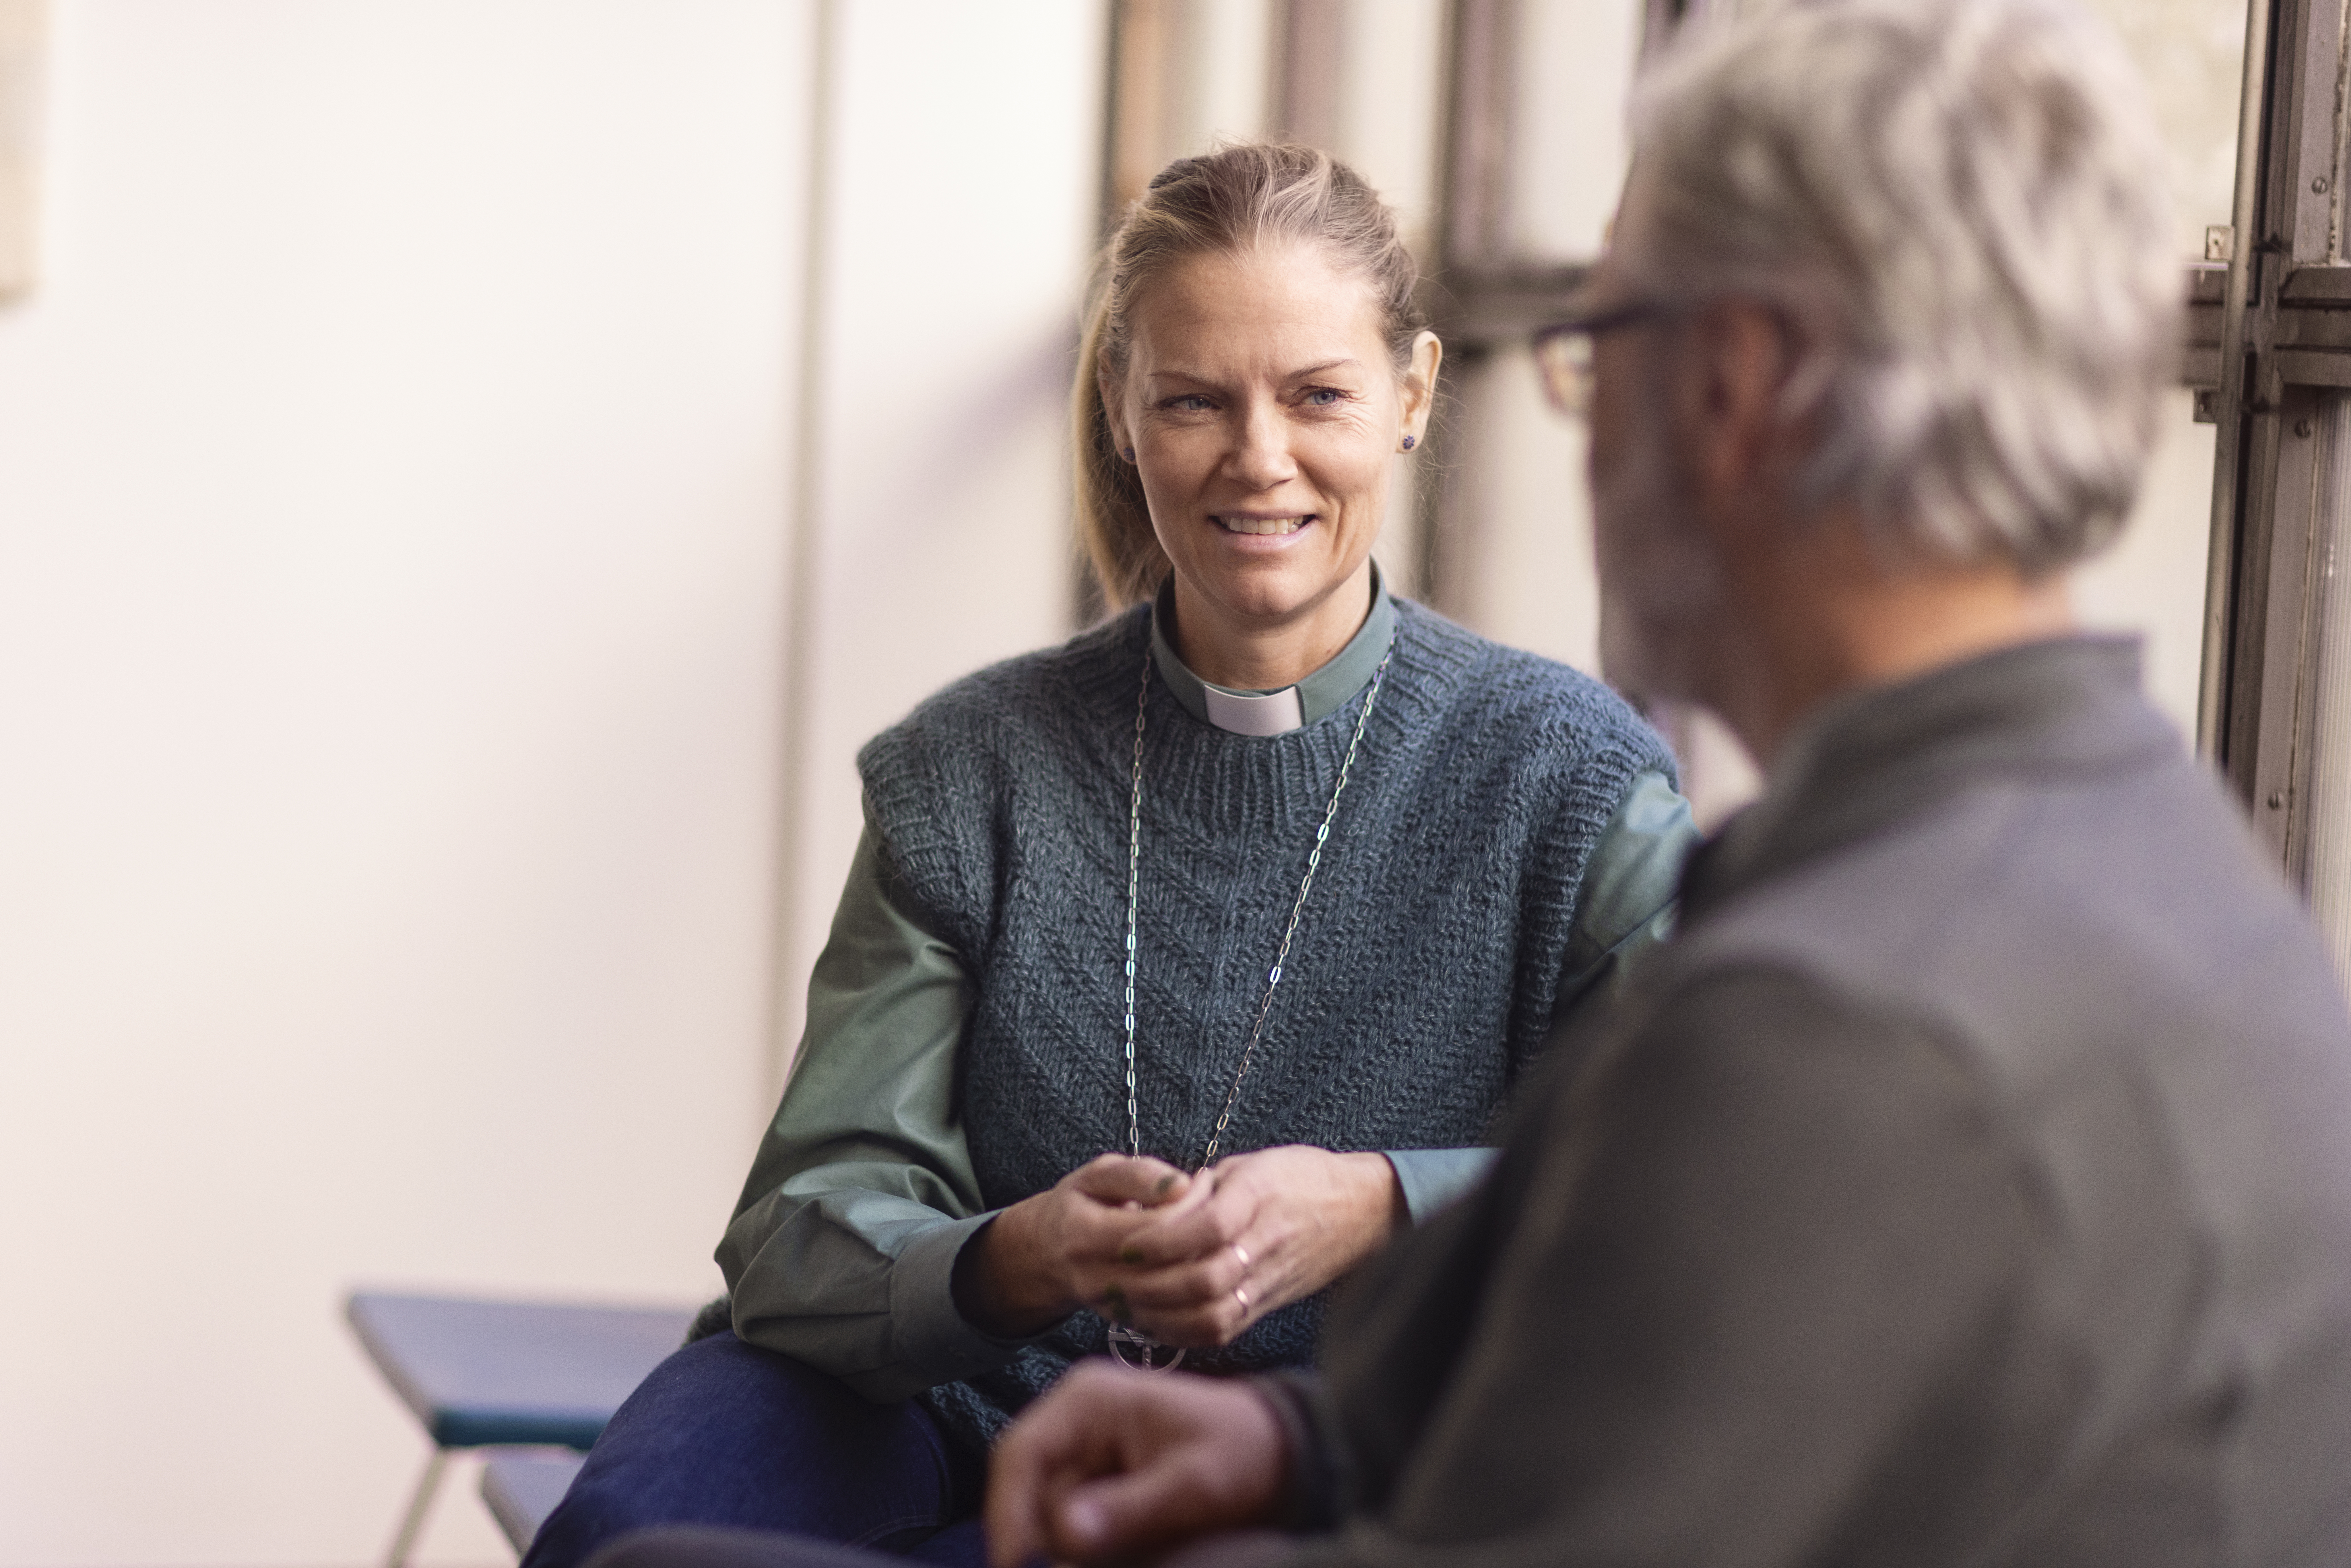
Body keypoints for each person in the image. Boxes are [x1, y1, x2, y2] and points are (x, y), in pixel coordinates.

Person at [578, 2, 2351, 1565]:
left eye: (1598, 352)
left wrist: (1353, 1255)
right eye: (1194, 400)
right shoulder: (2149, 869)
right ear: (1125, 406)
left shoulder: (1830, 991)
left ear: (1731, 389)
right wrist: (1284, 1433)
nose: (1577, 419)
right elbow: (1687, 1406)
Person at [523, 143, 1695, 1568]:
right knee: (628, 1534)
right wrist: (1021, 1254)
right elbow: (802, 1234)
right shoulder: (970, 769)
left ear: (1412, 393)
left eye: (1316, 394)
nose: (1257, 457)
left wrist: (1380, 1202)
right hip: (922, 1402)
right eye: (1194, 399)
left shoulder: (1573, 781)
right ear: (1122, 414)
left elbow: (1684, 1195)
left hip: (1318, 1456)